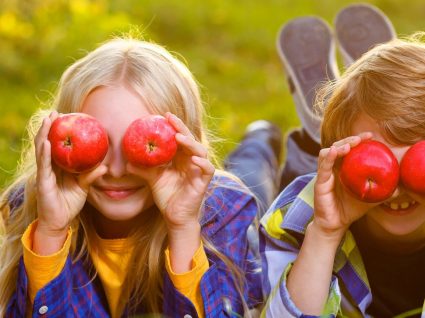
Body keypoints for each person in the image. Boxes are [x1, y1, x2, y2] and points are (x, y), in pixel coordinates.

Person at [0, 36, 263, 317]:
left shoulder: (225, 210)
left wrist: (184, 227)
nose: (115, 170)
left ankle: (261, 138)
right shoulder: (27, 209)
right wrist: (51, 231)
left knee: (254, 168)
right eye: (98, 146)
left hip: (223, 195)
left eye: (133, 148)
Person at [260, 33, 425, 317]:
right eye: (376, 152)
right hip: (334, 193)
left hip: (355, 185)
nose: (396, 189)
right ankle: (262, 135)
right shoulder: (298, 220)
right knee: (256, 176)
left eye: (415, 161)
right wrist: (324, 233)